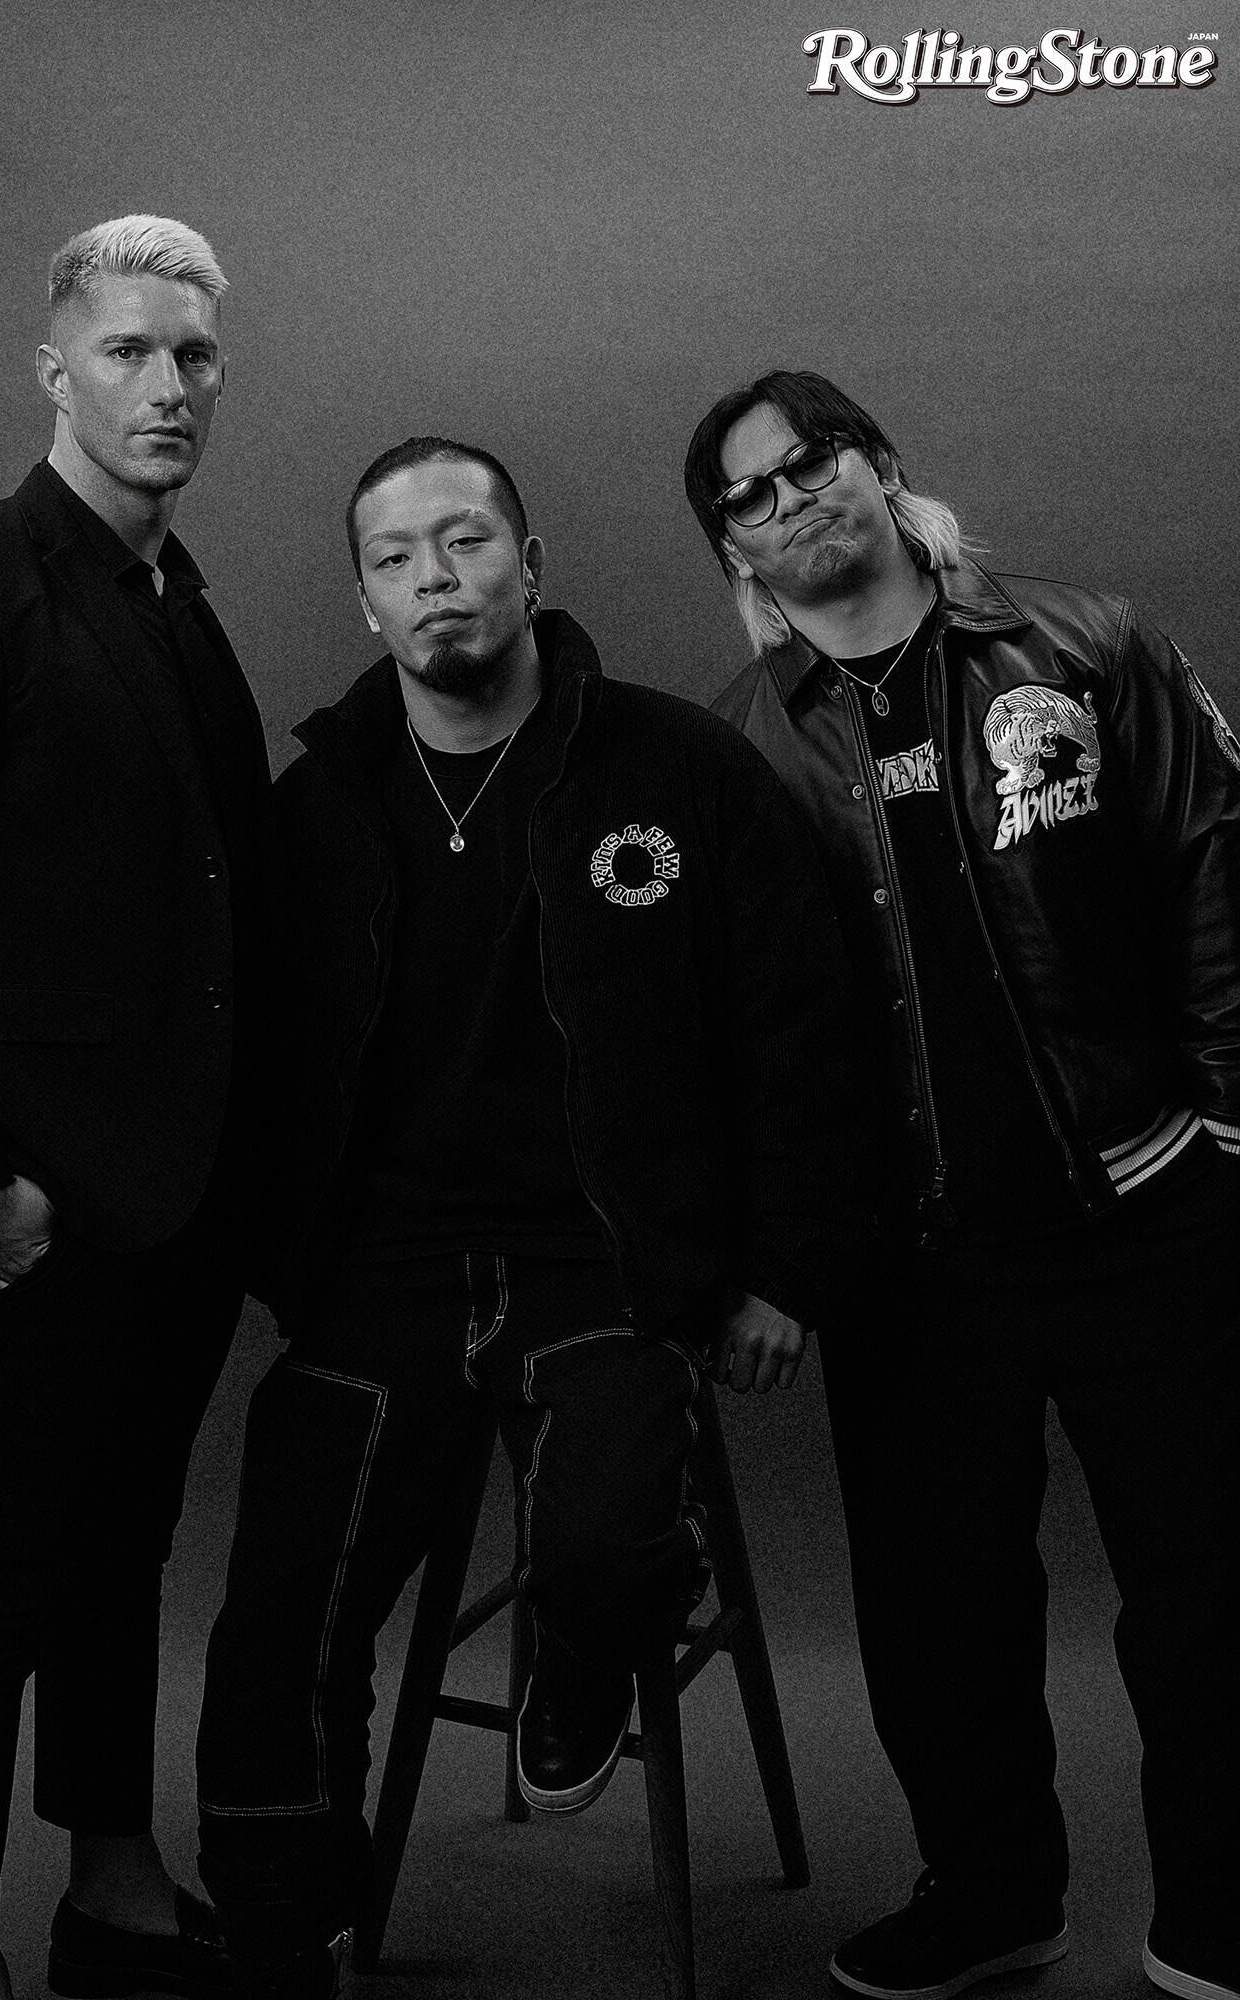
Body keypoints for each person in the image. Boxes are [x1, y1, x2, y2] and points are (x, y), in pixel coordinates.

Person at [191, 434, 865, 1996]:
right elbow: (246, 1062)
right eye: (396, 557)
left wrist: (785, 1272)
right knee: (284, 1602)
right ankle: (290, 1925)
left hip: (609, 1260)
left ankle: (579, 1667)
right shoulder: (316, 808)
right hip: (383, 1272)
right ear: (367, 604)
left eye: (467, 540)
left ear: (530, 565)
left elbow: (803, 1033)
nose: (436, 576)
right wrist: (270, 1258)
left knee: (610, 1548)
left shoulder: (674, 769)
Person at [684, 369, 1240, 2000]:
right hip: (916, 1258)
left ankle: (1223, 1911)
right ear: (734, 547)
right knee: (940, 1616)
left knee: (1211, 1587)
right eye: (747, 497)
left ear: (880, 463)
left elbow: (1217, 862)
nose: (790, 501)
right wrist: (785, 1247)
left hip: (1144, 1203)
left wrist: (1231, 1128)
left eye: (811, 462)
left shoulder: (1085, 644)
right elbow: (749, 1030)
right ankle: (994, 1900)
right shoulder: (741, 746)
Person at [0, 215, 277, 2000]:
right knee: (6, 1563)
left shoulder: (181, 602)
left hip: (183, 1194)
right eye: (128, 353)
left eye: (196, 356)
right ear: (54, 370)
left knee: (123, 1549)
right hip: (30, 1202)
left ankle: (113, 1874)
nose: (168, 387)